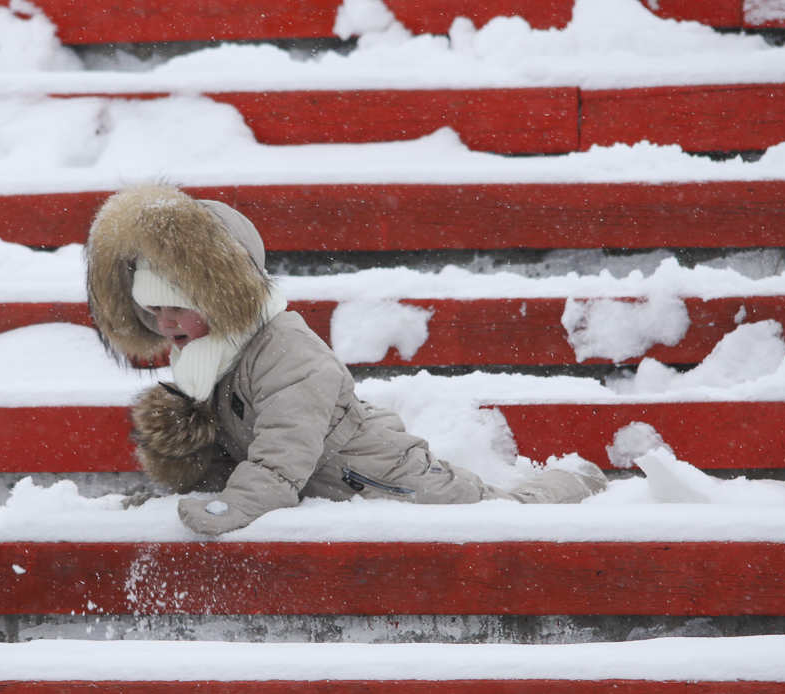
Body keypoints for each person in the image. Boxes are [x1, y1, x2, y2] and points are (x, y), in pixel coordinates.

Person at [85, 185, 605, 535]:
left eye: (180, 307)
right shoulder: (208, 361)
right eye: (153, 311)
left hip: (385, 474)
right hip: (339, 480)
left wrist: (233, 506)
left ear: (221, 300)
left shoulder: (287, 352)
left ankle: (578, 480)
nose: (167, 323)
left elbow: (281, 453)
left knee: (498, 516)